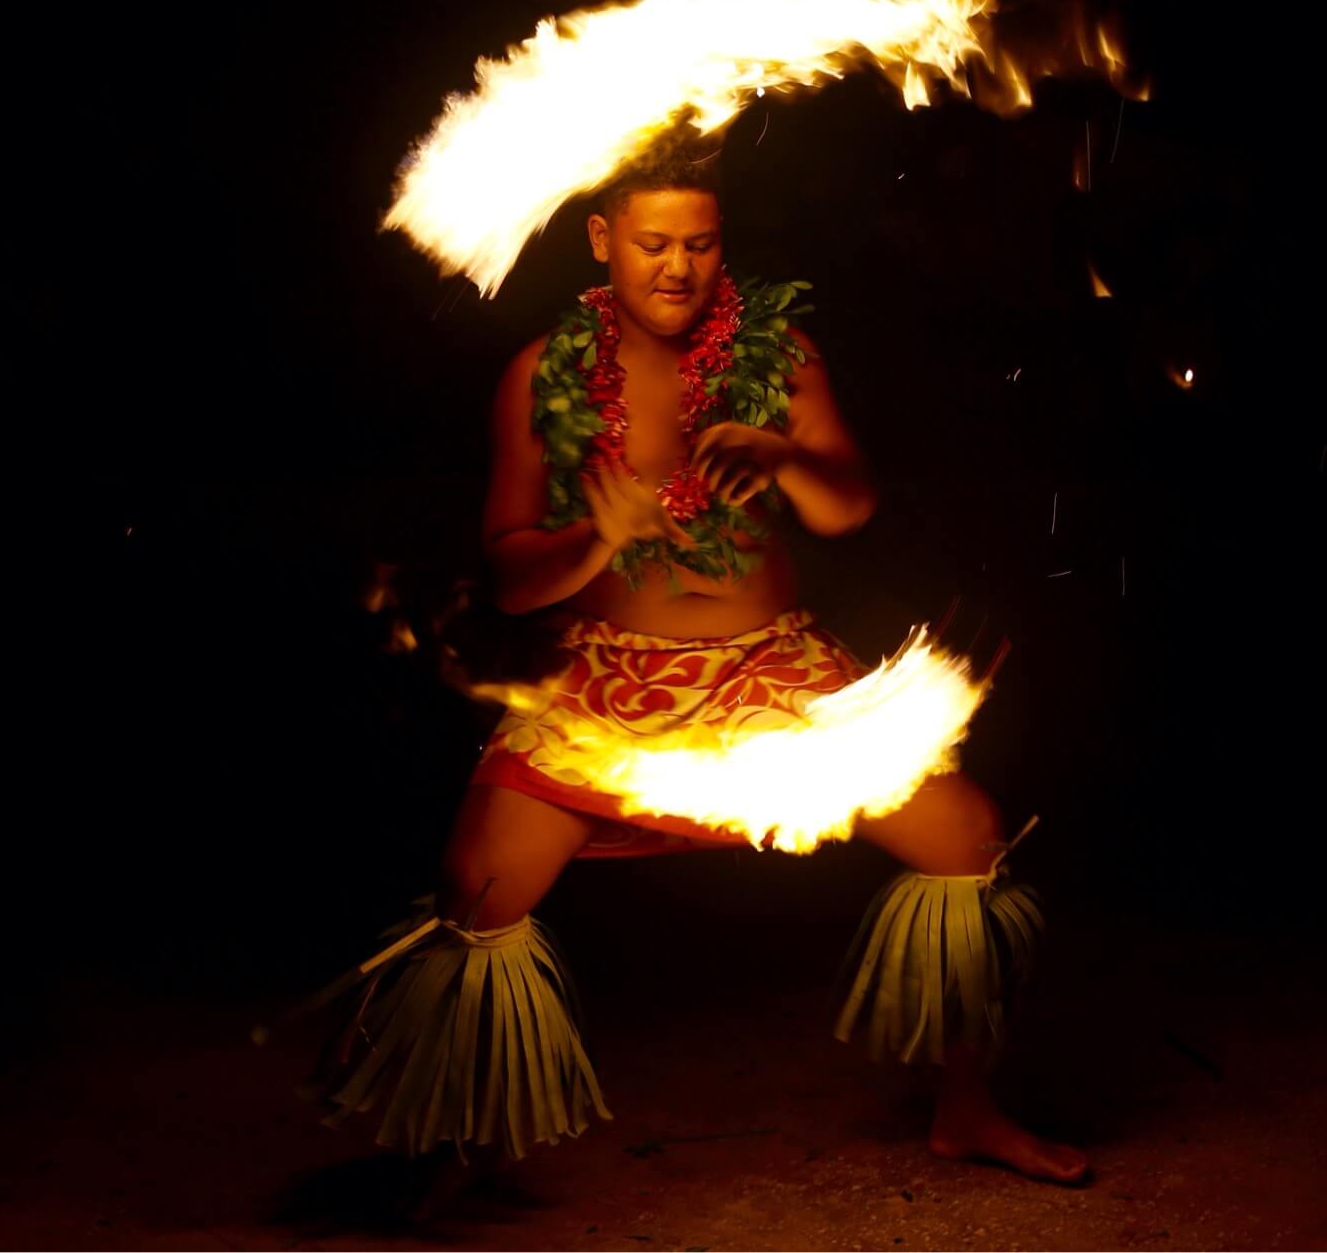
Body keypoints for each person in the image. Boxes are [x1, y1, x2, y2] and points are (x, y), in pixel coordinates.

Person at [306, 130, 1089, 1191]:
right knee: (476, 886)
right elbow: (508, 580)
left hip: (769, 671)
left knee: (967, 836)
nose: (677, 267)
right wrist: (596, 538)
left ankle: (968, 1108)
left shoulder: (782, 358)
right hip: (603, 679)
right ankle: (444, 1149)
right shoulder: (540, 378)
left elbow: (849, 507)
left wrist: (783, 455)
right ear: (601, 242)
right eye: (651, 244)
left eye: (700, 244)